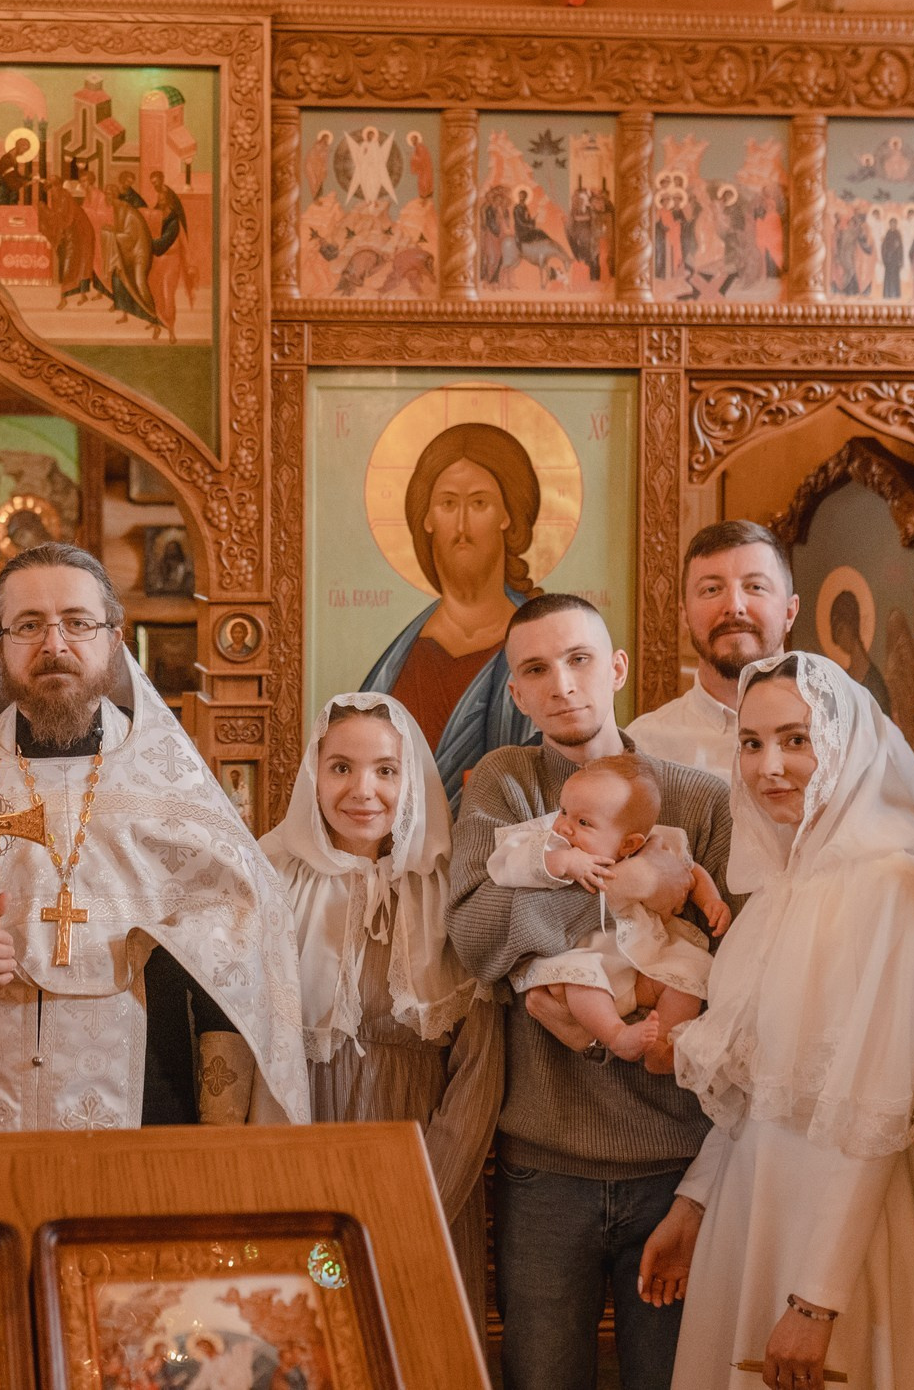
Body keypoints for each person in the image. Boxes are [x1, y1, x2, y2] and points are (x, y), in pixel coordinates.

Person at [0, 543, 307, 1130]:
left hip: (143, 1095)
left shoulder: (168, 784)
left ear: (114, 641)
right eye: (29, 625)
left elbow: (246, 933)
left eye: (77, 622)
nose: (54, 644)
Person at [638, 653, 914, 1390]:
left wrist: (818, 1299)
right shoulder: (775, 888)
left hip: (843, 1234)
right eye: (752, 743)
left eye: (796, 739)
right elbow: (756, 1088)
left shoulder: (893, 881)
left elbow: (879, 1104)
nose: (769, 766)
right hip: (749, 1206)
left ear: (843, 745)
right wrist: (694, 1201)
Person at [448, 594, 732, 1390]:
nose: (562, 684)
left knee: (671, 1378)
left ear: (616, 669)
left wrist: (541, 918)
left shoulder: (698, 798)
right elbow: (476, 935)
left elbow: (727, 956)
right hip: (545, 1161)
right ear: (516, 692)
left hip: (676, 1158)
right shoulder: (506, 786)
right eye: (537, 669)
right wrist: (638, 886)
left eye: (579, 660)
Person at [262, 693, 501, 1300]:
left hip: (423, 1165)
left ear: (412, 778)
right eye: (341, 767)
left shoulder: (450, 890)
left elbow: (479, 1069)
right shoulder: (266, 877)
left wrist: (423, 1199)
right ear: (313, 775)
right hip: (297, 1157)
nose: (362, 791)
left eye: (386, 770)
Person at [491, 754, 730, 1066]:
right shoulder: (557, 846)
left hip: (645, 965)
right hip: (590, 959)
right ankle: (617, 1035)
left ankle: (661, 1046)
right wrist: (561, 862)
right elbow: (507, 864)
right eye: (564, 811)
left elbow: (690, 871)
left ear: (630, 844)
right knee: (579, 978)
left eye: (583, 823)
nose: (564, 827)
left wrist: (711, 900)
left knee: (688, 973)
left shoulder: (657, 843)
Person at [360, 422, 547, 804]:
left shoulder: (538, 642)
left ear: (507, 514)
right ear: (427, 518)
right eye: (448, 504)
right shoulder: (399, 659)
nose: (462, 526)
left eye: (479, 503)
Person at [629, 521, 799, 780]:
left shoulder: (846, 729)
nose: (734, 606)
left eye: (755, 587)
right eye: (711, 589)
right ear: (684, 616)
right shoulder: (644, 748)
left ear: (789, 612)